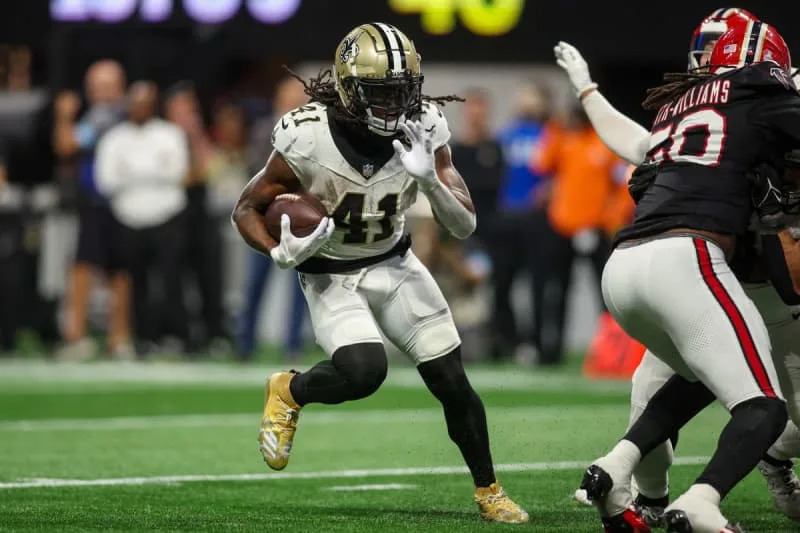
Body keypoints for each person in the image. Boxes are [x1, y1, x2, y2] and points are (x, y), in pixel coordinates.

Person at [231, 23, 527, 523]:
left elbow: (465, 223)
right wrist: (277, 253)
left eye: (401, 91)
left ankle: (488, 490)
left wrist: (430, 180)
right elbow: (246, 209)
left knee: (452, 381)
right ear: (348, 88)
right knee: (365, 372)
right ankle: (290, 390)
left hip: (394, 261)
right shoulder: (307, 135)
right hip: (330, 272)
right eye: (379, 92)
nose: (393, 104)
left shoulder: (425, 125)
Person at [557, 8, 800, 526]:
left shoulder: (678, 109)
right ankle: (699, 502)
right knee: (763, 406)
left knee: (688, 380)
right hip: (697, 264)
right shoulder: (763, 97)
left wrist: (586, 92)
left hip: (626, 266)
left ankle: (615, 475)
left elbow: (636, 146)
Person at [95, 82, 190, 357]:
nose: (139, 109)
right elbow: (106, 181)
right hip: (128, 220)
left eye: (145, 103)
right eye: (135, 103)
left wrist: (132, 171)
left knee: (171, 280)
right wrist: (153, 169)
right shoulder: (114, 138)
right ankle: (144, 339)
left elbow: (177, 172)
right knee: (136, 284)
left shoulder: (170, 134)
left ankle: (179, 337)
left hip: (167, 217)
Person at [531, 105, 628, 366]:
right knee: (557, 292)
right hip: (562, 227)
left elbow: (623, 185)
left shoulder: (604, 144)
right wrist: (553, 128)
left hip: (595, 229)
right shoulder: (563, 140)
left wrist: (612, 218)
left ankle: (612, 353)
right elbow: (539, 164)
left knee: (606, 293)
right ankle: (551, 352)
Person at [53, 59, 132, 359]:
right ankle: (108, 337)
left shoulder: (106, 115)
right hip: (100, 202)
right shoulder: (107, 114)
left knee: (108, 270)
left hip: (111, 201)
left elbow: (66, 144)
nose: (100, 93)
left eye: (106, 86)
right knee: (100, 268)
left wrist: (63, 116)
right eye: (96, 87)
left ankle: (94, 336)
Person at [238, 77, 310, 361]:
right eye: (289, 95)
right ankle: (245, 343)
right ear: (279, 98)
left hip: (300, 220)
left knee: (301, 286)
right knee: (255, 282)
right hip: (267, 215)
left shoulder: (312, 133)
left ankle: (293, 344)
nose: (294, 101)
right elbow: (256, 171)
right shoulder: (262, 129)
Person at [492, 85, 551, 362]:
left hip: (537, 219)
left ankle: (537, 343)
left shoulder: (551, 135)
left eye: (531, 96)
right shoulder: (507, 134)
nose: (525, 101)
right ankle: (508, 340)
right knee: (502, 284)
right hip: (508, 216)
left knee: (538, 286)